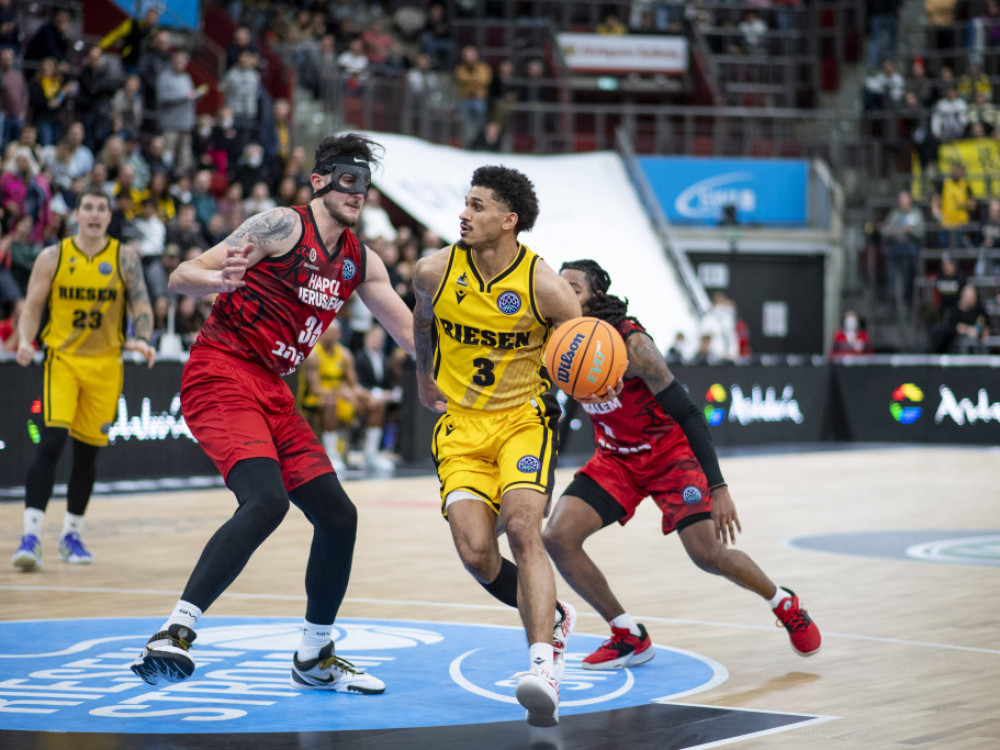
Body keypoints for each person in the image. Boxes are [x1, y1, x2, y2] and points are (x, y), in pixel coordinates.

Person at [130, 133, 414, 696]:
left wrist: (465, 369)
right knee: (266, 501)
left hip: (274, 389)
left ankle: (314, 656)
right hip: (221, 370)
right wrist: (218, 279)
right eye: (347, 178)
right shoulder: (281, 226)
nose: (357, 192)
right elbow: (181, 273)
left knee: (338, 516)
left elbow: (410, 335)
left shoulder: (362, 260)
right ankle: (174, 632)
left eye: (366, 183)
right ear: (320, 181)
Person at [542, 259, 821, 671]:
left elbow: (689, 412)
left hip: (670, 457)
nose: (564, 294)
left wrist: (719, 486)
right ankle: (628, 634)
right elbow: (556, 414)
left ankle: (783, 602)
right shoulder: (558, 341)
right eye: (560, 287)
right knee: (557, 537)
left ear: (596, 296)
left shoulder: (634, 346)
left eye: (574, 288)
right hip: (616, 459)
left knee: (708, 554)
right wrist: (544, 479)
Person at [412, 165, 603, 727]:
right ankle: (557, 615)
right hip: (462, 428)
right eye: (464, 203)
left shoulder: (544, 286)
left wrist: (597, 383)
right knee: (476, 553)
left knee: (524, 528)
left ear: (508, 220)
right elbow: (424, 324)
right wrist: (425, 376)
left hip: (524, 419)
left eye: (477, 206)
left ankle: (543, 667)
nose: (464, 214)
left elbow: (581, 349)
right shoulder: (433, 270)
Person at [11, 188, 156, 570]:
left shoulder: (124, 258)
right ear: (76, 214)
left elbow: (142, 304)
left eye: (101, 209)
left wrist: (142, 337)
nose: (94, 214)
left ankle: (71, 535)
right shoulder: (53, 256)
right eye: (87, 208)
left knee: (88, 453)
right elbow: (32, 306)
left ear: (109, 217)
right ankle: (30, 535)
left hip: (107, 364)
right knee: (53, 440)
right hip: (64, 360)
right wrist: (26, 341)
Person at [296, 322, 363, 472]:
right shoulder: (313, 355)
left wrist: (361, 394)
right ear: (320, 334)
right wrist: (340, 392)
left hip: (337, 395)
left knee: (373, 403)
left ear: (339, 335)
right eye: (327, 332)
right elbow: (315, 389)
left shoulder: (345, 354)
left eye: (334, 333)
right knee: (331, 403)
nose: (331, 336)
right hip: (313, 400)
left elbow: (353, 384)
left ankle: (370, 454)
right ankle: (332, 455)